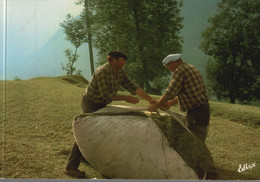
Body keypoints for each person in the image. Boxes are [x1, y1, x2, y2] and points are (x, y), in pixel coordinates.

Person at [64, 51, 156, 178]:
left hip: (102, 103)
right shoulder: (102, 72)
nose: (124, 63)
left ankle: (85, 157)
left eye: (124, 60)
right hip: (91, 103)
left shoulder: (120, 72)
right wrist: (126, 98)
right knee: (87, 130)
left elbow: (133, 87)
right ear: (112, 60)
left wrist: (150, 100)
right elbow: (106, 95)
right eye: (121, 60)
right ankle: (70, 167)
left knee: (100, 129)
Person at [148, 54, 218, 179]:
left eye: (169, 65)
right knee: (194, 140)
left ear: (176, 62)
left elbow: (170, 91)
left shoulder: (180, 71)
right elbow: (185, 91)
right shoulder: (190, 67)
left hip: (197, 111)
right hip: (201, 109)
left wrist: (157, 105)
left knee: (196, 142)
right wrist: (170, 103)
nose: (168, 68)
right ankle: (198, 168)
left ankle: (211, 172)